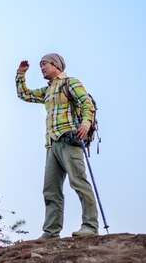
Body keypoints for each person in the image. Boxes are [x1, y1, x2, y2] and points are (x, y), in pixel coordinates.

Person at [16, 53, 99, 239]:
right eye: (40, 66)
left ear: (56, 65)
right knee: (51, 189)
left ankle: (90, 226)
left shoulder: (70, 82)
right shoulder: (47, 91)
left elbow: (86, 102)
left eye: (44, 64)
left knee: (78, 182)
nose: (42, 68)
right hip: (52, 143)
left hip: (70, 138)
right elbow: (24, 94)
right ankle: (51, 232)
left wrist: (86, 123)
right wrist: (21, 74)